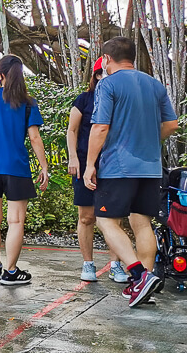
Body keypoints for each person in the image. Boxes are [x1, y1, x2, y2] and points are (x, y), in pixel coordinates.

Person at [84, 37, 178, 307]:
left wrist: (91, 164)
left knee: (106, 221)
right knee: (142, 223)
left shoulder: (108, 84)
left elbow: (100, 127)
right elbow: (171, 124)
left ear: (108, 59)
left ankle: (139, 275)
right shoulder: (155, 84)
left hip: (118, 166)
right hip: (150, 166)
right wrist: (148, 141)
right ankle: (144, 284)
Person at [0, 55, 48, 285]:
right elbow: (34, 137)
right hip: (15, 167)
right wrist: (44, 167)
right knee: (15, 221)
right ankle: (11, 271)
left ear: (0, 75)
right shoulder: (27, 102)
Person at [66, 58, 127, 283]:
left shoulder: (121, 101)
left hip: (114, 165)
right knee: (86, 217)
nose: (105, 77)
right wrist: (73, 158)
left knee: (114, 217)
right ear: (95, 76)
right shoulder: (83, 100)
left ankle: (115, 264)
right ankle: (88, 263)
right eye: (101, 73)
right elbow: (72, 130)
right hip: (84, 163)